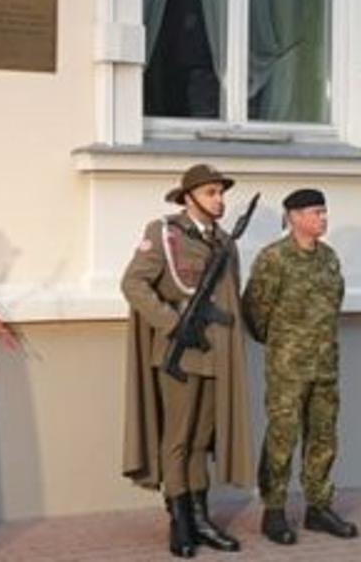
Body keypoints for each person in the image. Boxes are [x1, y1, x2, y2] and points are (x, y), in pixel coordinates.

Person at [121, 163, 254, 558]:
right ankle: (179, 521)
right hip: (179, 354)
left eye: (221, 192)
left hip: (215, 355)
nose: (220, 200)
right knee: (177, 440)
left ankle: (201, 518)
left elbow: (230, 296)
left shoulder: (226, 242)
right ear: (189, 197)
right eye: (212, 192)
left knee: (200, 439)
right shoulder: (164, 234)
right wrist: (171, 322)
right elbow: (133, 283)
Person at [243, 188, 360, 545]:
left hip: (325, 364)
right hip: (288, 367)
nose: (323, 219)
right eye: (315, 212)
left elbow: (334, 304)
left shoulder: (329, 258)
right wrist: (282, 345)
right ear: (293, 217)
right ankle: (274, 511)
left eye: (324, 212)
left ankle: (318, 508)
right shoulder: (274, 259)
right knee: (283, 436)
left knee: (323, 437)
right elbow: (255, 310)